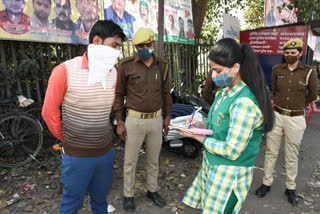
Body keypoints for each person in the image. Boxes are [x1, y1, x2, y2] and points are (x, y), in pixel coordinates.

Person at [178, 38, 274, 213]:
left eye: (217, 70)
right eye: (212, 70)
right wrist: (199, 124)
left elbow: (232, 150)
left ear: (236, 67)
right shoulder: (224, 92)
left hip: (229, 174)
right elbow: (219, 125)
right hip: (213, 165)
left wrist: (197, 136)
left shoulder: (244, 103)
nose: (213, 76)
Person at [42, 20, 126, 214]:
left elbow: (107, 108)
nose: (117, 52)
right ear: (96, 41)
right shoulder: (65, 71)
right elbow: (49, 111)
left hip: (105, 153)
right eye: (114, 45)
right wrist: (68, 138)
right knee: (72, 204)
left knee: (100, 201)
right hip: (77, 157)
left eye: (119, 47)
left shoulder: (112, 73)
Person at [114, 28, 172, 212]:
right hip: (134, 120)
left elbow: (166, 93)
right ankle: (128, 195)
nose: (145, 48)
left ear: (153, 44)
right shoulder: (126, 65)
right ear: (135, 47)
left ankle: (152, 190)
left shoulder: (162, 65)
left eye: (148, 44)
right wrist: (119, 121)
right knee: (130, 161)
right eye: (141, 46)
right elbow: (119, 94)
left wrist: (167, 117)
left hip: (156, 119)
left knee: (153, 159)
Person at [255, 38, 318, 206]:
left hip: (296, 118)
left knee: (291, 154)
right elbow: (274, 90)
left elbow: (312, 94)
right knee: (271, 152)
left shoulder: (309, 71)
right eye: (287, 53)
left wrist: (299, 103)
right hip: (277, 115)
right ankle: (266, 183)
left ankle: (290, 187)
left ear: (300, 53)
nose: (289, 55)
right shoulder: (277, 69)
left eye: (293, 53)